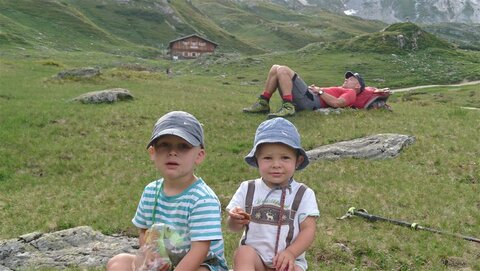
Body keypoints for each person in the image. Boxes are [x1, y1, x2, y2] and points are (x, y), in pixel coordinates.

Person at [106, 111, 228, 271]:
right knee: (118, 262)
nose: (172, 152)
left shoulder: (203, 199)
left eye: (183, 146)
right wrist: (149, 254)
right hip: (163, 263)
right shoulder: (151, 191)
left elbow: (200, 249)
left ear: (199, 156)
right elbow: (144, 231)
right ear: (152, 152)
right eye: (164, 145)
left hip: (202, 264)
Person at [226, 118, 319, 271]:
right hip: (256, 261)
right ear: (257, 159)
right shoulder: (248, 188)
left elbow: (308, 230)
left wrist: (291, 252)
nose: (276, 164)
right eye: (268, 158)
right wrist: (235, 220)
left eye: (285, 158)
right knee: (243, 253)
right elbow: (232, 227)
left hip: (288, 262)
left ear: (298, 160)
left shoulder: (303, 194)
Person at [243, 64, 366, 118]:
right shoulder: (343, 89)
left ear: (357, 86)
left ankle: (288, 106)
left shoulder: (351, 93)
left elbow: (337, 103)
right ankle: (263, 103)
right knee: (275, 68)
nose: (346, 79)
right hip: (309, 97)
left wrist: (320, 92)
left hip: (311, 101)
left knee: (283, 70)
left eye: (351, 78)